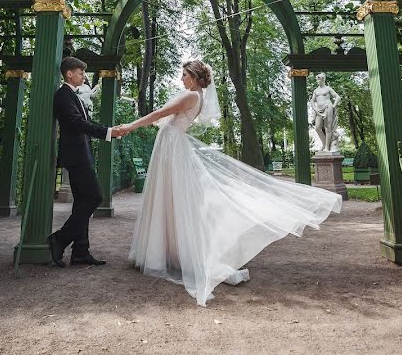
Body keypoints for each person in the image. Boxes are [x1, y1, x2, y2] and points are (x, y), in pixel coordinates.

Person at [116, 60, 343, 306]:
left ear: (193, 77)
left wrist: (130, 125)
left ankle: (173, 255)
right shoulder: (196, 96)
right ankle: (169, 253)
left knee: (172, 199)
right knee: (170, 199)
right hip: (171, 146)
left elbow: (160, 114)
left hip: (171, 147)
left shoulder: (191, 96)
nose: (181, 79)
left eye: (184, 75)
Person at [48, 57, 127, 267]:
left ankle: (80, 252)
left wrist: (111, 130)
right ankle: (59, 239)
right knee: (94, 197)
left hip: (81, 155)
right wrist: (108, 132)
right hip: (76, 157)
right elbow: (76, 123)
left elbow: (86, 123)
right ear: (69, 74)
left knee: (83, 201)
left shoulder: (73, 95)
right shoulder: (63, 95)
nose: (84, 76)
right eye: (80, 72)